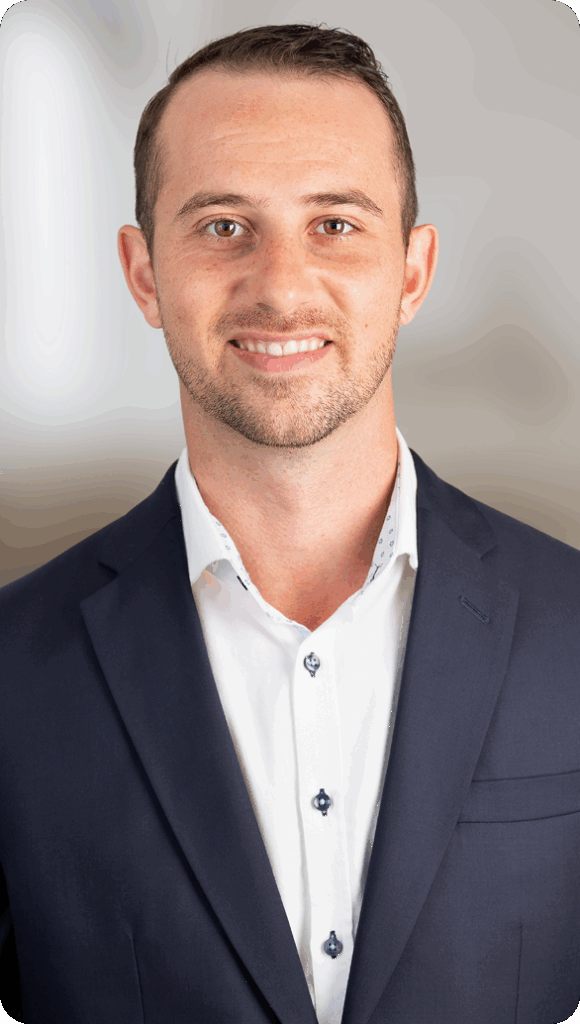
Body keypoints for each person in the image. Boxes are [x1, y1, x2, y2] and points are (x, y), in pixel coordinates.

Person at [1, 20, 580, 1024]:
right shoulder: (11, 668)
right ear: (144, 274)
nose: (279, 286)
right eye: (222, 225)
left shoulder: (571, 623)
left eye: (335, 223)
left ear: (411, 269)